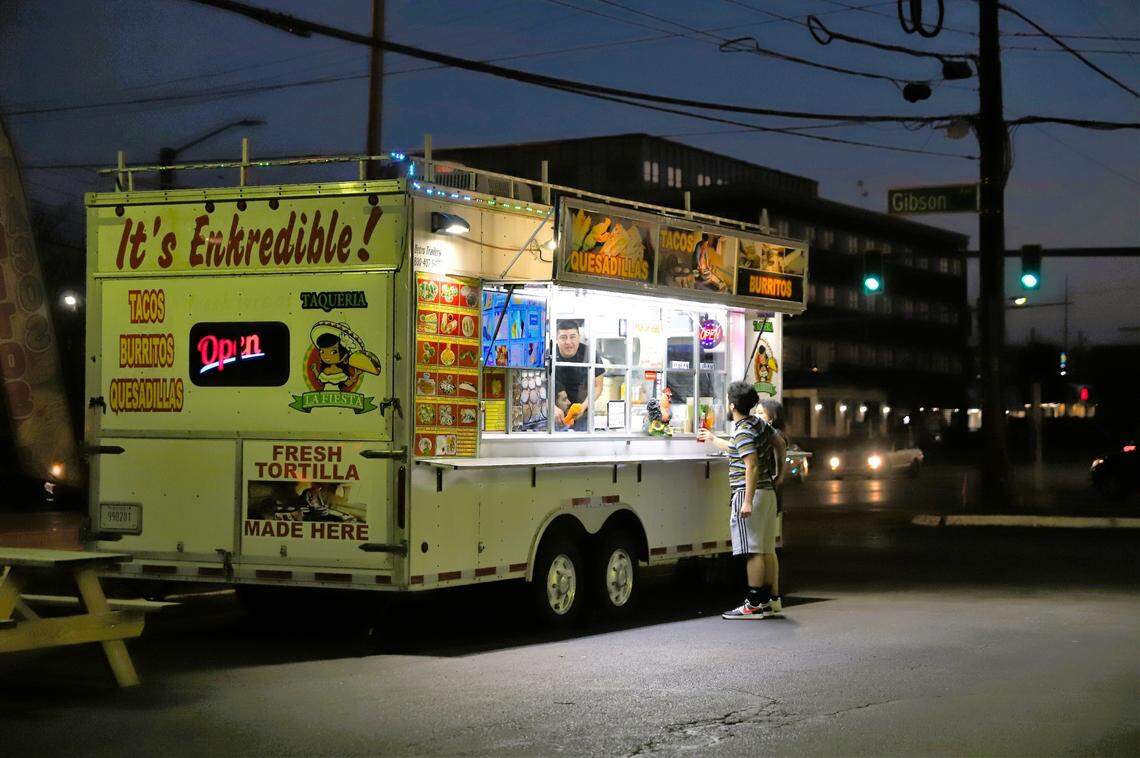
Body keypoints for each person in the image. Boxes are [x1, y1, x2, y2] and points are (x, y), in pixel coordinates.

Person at [698, 381, 786, 619]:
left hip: (751, 495)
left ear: (733, 405)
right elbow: (780, 443)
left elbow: (752, 465)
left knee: (753, 551)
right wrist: (780, 474)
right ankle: (769, 601)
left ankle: (754, 603)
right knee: (766, 548)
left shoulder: (743, 429)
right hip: (767, 494)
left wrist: (746, 501)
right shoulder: (757, 424)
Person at [758, 398, 787, 606]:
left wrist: (779, 475)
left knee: (766, 548)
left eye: (761, 413)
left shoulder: (772, 434)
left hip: (770, 495)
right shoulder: (772, 434)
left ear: (772, 417)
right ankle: (773, 596)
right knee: (768, 548)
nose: (757, 415)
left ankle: (769, 594)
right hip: (773, 494)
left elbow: (781, 449)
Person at [552, 319, 604, 431]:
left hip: (583, 415)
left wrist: (583, 406)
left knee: (583, 447)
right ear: (556, 339)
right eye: (563, 337)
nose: (568, 342)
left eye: (572, 336)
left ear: (579, 337)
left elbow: (598, 386)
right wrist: (552, 408)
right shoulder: (549, 355)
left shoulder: (590, 354)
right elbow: (540, 389)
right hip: (556, 415)